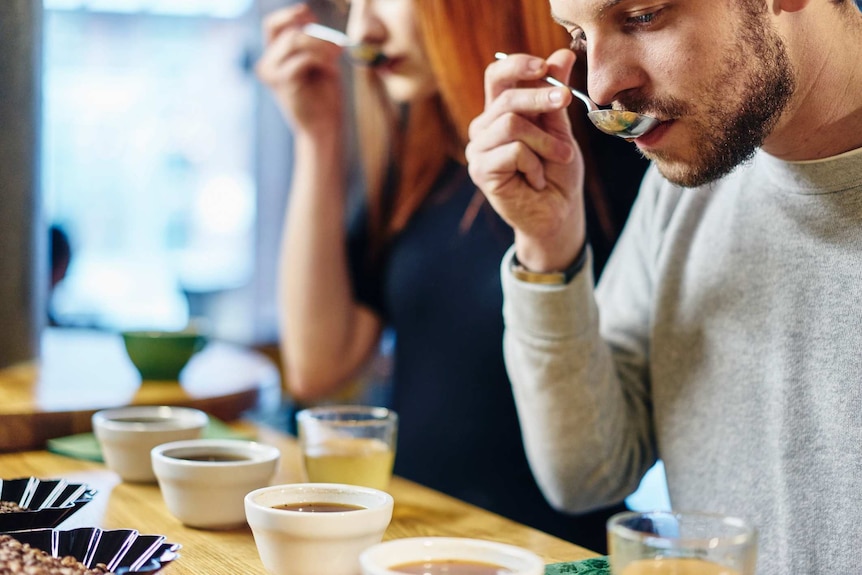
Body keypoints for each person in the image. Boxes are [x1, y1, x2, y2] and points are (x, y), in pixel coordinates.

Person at [465, 1, 862, 573]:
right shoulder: (692, 177)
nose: (600, 89)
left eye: (643, 15)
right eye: (578, 36)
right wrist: (548, 247)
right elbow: (589, 471)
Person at [255, 0, 648, 553]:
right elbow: (317, 366)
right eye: (352, 5)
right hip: (409, 541)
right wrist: (317, 137)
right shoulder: (421, 153)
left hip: (547, 551)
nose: (361, 29)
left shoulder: (623, 154)